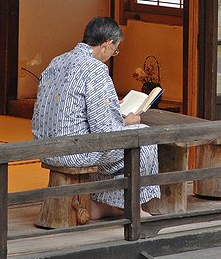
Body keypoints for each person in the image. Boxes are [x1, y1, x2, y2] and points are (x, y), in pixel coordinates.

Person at [32, 16, 160, 220]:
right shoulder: (95, 69)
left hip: (45, 147)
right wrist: (128, 120)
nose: (112, 54)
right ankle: (133, 207)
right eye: (115, 50)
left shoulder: (57, 61)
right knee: (144, 138)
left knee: (119, 137)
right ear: (106, 44)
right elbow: (105, 129)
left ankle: (98, 204)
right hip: (73, 151)